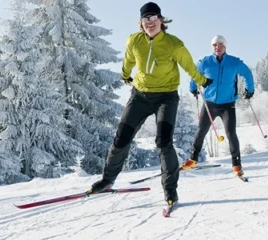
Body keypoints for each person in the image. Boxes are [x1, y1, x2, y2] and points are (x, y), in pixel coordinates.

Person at [90, 2, 212, 205]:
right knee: (121, 139)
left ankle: (170, 191)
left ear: (161, 20)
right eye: (146, 19)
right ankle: (107, 180)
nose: (150, 22)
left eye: (153, 17)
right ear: (141, 23)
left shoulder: (174, 44)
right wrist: (125, 75)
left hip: (166, 97)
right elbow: (129, 60)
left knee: (164, 143)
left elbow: (188, 65)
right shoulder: (134, 40)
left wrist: (201, 80)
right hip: (140, 96)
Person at [181, 35, 255, 177]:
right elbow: (194, 74)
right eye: (215, 45)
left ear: (225, 47)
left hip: (228, 105)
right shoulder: (205, 62)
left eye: (220, 44)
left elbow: (247, 73)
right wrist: (192, 88)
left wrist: (249, 90)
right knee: (201, 131)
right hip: (210, 104)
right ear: (212, 47)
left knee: (230, 133)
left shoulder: (234, 62)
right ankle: (193, 159)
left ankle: (237, 164)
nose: (217, 47)